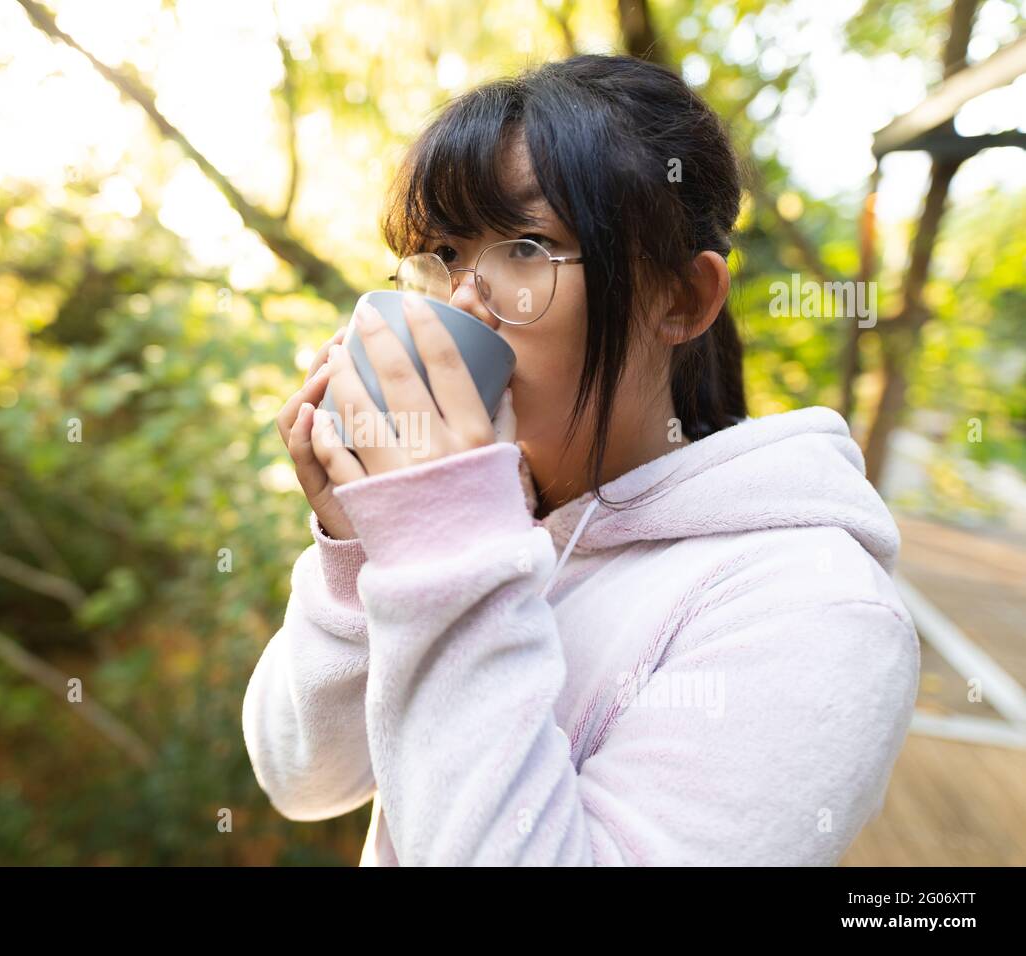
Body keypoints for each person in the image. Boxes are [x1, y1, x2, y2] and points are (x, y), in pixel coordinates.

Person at [242, 53, 919, 866]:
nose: (461, 301)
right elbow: (306, 779)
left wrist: (446, 543)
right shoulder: (489, 509)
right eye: (442, 253)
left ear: (682, 299)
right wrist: (361, 549)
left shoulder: (816, 608)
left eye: (526, 247)